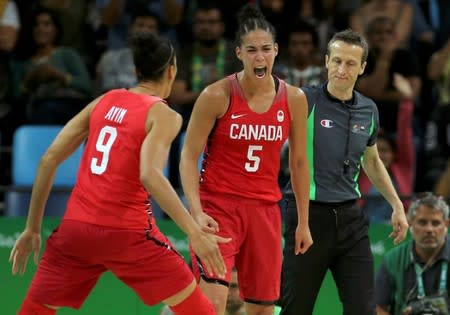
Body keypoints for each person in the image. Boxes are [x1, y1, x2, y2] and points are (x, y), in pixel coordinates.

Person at [8, 32, 229, 315]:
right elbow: (150, 174)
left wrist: (32, 229)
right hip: (129, 233)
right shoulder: (165, 115)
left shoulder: (104, 100)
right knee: (199, 311)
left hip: (76, 231)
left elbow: (48, 160)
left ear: (137, 71)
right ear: (172, 70)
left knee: (34, 311)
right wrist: (193, 232)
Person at [179, 3, 312, 315]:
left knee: (264, 309)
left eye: (266, 49)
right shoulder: (216, 95)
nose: (260, 57)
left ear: (277, 51)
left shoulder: (294, 98)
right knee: (210, 306)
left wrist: (303, 222)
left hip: (265, 210)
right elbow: (187, 156)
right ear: (238, 53)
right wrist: (196, 213)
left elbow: (300, 163)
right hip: (218, 207)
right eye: (251, 50)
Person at [280, 29, 409, 315]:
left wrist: (397, 205)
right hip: (308, 216)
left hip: (351, 218)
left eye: (350, 63)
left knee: (363, 309)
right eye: (336, 61)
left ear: (363, 67)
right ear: (326, 61)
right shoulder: (305, 100)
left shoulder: (368, 110)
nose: (341, 69)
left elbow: (372, 161)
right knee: (295, 308)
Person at [375, 192, 450, 315]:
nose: (429, 230)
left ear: (446, 224)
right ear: (410, 223)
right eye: (422, 222)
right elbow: (378, 308)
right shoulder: (393, 259)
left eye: (436, 223)